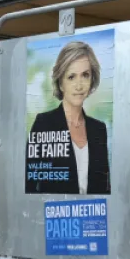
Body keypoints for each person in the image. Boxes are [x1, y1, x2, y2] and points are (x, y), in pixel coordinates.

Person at [24, 41, 111, 195]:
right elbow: (29, 180)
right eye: (71, 77)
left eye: (85, 75)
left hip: (91, 216)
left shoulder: (99, 128)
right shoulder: (44, 123)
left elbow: (103, 184)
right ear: (61, 83)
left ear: (92, 80)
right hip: (55, 216)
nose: (79, 85)